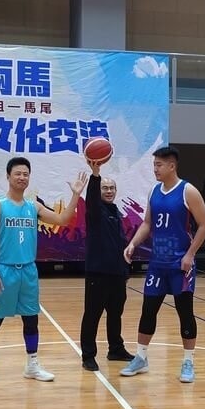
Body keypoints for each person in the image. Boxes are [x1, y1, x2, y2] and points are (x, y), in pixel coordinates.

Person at [0, 157, 87, 390]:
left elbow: (63, 220)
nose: (22, 177)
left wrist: (76, 195)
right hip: (5, 270)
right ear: (8, 176)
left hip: (28, 271)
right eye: (17, 173)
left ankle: (32, 365)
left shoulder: (33, 207)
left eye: (26, 174)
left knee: (31, 320)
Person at [120, 146, 205, 383]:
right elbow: (147, 223)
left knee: (185, 312)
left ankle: (188, 361)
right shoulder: (154, 191)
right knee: (148, 310)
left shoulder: (188, 191)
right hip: (157, 264)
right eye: (154, 165)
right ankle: (141, 357)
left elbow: (204, 225)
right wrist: (133, 243)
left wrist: (190, 254)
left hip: (180, 264)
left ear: (172, 166)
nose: (155, 169)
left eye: (159, 165)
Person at [79, 155, 134, 372]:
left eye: (112, 188)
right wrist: (95, 176)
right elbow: (92, 199)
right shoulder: (95, 211)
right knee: (92, 315)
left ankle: (116, 349)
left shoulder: (116, 212)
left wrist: (125, 271)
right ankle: (88, 355)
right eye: (105, 188)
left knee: (115, 314)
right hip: (98, 274)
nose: (109, 191)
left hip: (117, 274)